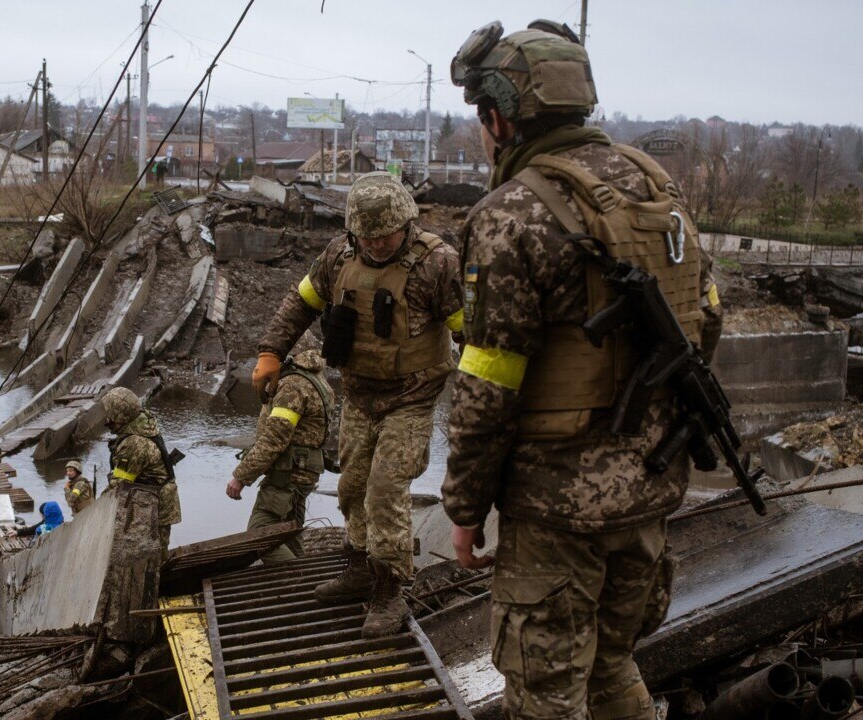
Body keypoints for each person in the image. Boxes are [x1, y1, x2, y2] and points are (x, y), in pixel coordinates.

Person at [441, 20, 724, 720]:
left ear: (498, 119)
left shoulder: (510, 214)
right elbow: (706, 320)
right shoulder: (660, 189)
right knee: (613, 665)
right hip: (651, 493)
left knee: (546, 698)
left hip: (556, 510)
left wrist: (465, 508)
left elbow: (486, 388)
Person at [253, 171, 464, 637]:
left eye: (385, 236)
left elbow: (473, 334)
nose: (377, 245)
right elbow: (301, 302)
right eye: (367, 237)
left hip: (412, 397)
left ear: (405, 224)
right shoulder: (338, 255)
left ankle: (391, 591)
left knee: (386, 491)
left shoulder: (438, 264)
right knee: (351, 486)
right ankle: (358, 566)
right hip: (359, 393)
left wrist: (484, 393)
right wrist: (271, 351)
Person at [226, 348, 335, 564]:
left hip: (287, 476)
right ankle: (305, 584)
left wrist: (241, 477)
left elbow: (274, 439)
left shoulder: (293, 385)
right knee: (290, 536)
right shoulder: (315, 378)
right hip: (302, 473)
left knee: (259, 536)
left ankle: (298, 582)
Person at [100, 387, 180, 558]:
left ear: (119, 417)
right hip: (156, 499)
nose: (106, 419)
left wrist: (94, 511)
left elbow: (119, 485)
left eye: (109, 415)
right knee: (156, 549)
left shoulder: (133, 444)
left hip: (156, 504)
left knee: (154, 555)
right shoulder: (143, 422)